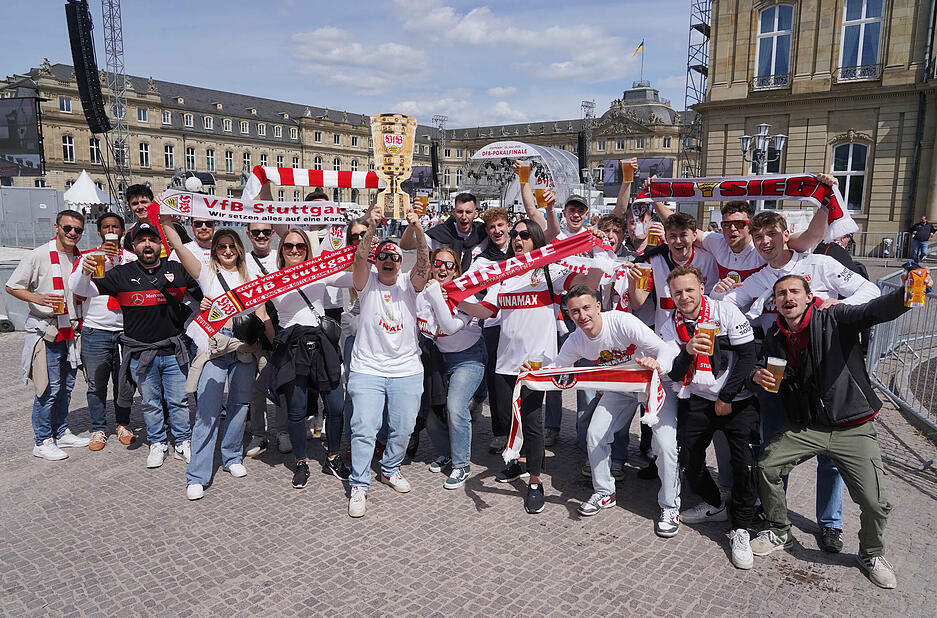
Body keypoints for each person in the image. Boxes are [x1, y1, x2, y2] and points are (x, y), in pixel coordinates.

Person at [750, 272, 932, 588]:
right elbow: (768, 368)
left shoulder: (835, 317)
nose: (788, 297)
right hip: (809, 426)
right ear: (775, 303)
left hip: (852, 426)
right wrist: (757, 373)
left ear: (809, 297)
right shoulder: (777, 337)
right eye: (781, 294)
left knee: (875, 503)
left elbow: (875, 311)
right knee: (767, 466)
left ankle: (870, 554)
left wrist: (906, 293)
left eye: (794, 291)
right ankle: (780, 530)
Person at [714, 210, 881, 552]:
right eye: (759, 238)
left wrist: (838, 304)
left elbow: (871, 291)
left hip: (828, 375)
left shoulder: (819, 264)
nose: (765, 242)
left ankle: (830, 524)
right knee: (774, 447)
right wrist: (722, 295)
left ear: (786, 233)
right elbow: (727, 306)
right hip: (781, 376)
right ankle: (774, 515)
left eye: (771, 234)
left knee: (831, 457)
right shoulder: (762, 279)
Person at [457, 219, 604, 514]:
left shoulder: (551, 271)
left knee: (534, 424)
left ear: (536, 240)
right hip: (505, 362)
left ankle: (535, 482)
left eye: (525, 234)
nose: (517, 239)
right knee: (512, 420)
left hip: (537, 364)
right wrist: (458, 301)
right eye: (516, 234)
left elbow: (587, 284)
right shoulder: (505, 274)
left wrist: (598, 251)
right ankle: (520, 464)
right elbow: (488, 310)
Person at [537, 285, 681, 536]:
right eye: (575, 312)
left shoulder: (621, 321)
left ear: (598, 306)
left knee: (666, 446)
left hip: (655, 383)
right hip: (620, 389)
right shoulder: (576, 339)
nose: (582, 316)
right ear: (569, 315)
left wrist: (658, 364)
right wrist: (532, 371)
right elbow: (558, 369)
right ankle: (604, 492)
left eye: (586, 308)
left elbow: (664, 348)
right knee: (595, 435)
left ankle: (670, 506)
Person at [71, 221, 198, 469]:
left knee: (178, 401)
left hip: (173, 351)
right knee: (150, 402)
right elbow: (81, 290)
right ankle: (158, 442)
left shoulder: (177, 268)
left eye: (152, 239)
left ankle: (183, 440)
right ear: (134, 246)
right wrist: (83, 271)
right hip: (141, 353)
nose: (147, 244)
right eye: (141, 240)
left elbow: (205, 286)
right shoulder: (121, 273)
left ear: (161, 245)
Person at [162, 221, 273, 500]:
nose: (227, 250)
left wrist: (273, 345)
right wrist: (164, 219)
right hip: (215, 346)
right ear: (214, 251)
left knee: (239, 406)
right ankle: (197, 474)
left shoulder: (251, 277)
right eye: (221, 246)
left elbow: (260, 313)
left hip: (244, 346)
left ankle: (231, 455)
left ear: (239, 249)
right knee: (207, 410)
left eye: (231, 246)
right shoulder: (206, 273)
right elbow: (176, 243)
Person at [659, 266, 759, 568]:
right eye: (678, 292)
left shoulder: (725, 311)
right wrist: (688, 350)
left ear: (702, 287)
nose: (684, 296)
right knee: (688, 457)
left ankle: (741, 527)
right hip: (697, 397)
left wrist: (727, 397)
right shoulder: (669, 326)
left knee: (744, 464)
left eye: (690, 290)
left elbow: (748, 357)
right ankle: (715, 503)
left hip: (736, 399)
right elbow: (674, 372)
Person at [346, 207, 430, 518]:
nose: (389, 261)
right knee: (365, 427)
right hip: (367, 367)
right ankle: (359, 484)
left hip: (406, 368)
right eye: (383, 257)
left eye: (395, 257)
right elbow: (358, 260)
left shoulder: (409, 283)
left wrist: (418, 229)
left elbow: (424, 263)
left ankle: (390, 468)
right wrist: (371, 228)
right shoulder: (366, 283)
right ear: (376, 261)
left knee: (404, 427)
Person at [257, 228, 353, 490]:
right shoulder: (271, 279)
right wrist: (211, 306)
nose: (295, 250)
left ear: (307, 250)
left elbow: (357, 279)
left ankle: (333, 456)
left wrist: (375, 257)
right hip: (292, 346)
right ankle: (301, 462)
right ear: (281, 250)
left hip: (322, 344)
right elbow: (238, 298)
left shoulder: (320, 272)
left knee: (336, 406)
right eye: (289, 246)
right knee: (297, 410)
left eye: (300, 246)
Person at [6, 209, 91, 459]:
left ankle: (61, 431)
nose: (73, 233)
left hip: (72, 330)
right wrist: (39, 298)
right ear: (56, 228)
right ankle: (42, 440)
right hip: (47, 330)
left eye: (77, 230)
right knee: (48, 387)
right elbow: (12, 286)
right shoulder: (39, 255)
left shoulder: (80, 258)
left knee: (66, 386)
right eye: (68, 228)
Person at [416, 247, 487, 489]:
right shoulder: (422, 294)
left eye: (449, 265)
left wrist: (436, 292)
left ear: (457, 270)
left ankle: (461, 464)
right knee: (430, 415)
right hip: (437, 360)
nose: (442, 269)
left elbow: (448, 326)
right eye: (438, 263)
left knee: (455, 408)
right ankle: (447, 452)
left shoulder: (466, 294)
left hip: (469, 358)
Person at [67, 212, 137, 450]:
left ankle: (123, 424)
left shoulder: (131, 258)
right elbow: (78, 288)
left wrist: (118, 261)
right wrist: (88, 269)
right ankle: (98, 428)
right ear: (99, 232)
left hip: (126, 330)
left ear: (122, 231)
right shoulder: (89, 257)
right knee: (96, 384)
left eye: (115, 227)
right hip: (96, 330)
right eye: (106, 227)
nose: (111, 231)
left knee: (124, 383)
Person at [243, 222, 291, 457]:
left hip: (280, 331)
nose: (261, 236)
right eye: (256, 232)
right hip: (252, 334)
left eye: (266, 232)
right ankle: (259, 435)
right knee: (256, 389)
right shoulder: (243, 260)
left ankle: (283, 431)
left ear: (273, 234)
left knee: (281, 387)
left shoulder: (281, 257)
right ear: (248, 235)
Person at [629, 212, 719, 334]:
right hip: (666, 337)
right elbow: (637, 303)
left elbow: (712, 301)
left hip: (699, 334)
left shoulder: (709, 260)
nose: (678, 241)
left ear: (694, 236)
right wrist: (632, 282)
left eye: (683, 235)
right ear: (665, 238)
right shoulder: (653, 261)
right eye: (672, 236)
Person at [402, 192, 487, 272]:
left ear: (476, 214)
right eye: (460, 212)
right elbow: (406, 245)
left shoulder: (483, 233)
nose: (464, 216)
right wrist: (412, 224)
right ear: (453, 212)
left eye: (468, 212)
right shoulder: (441, 233)